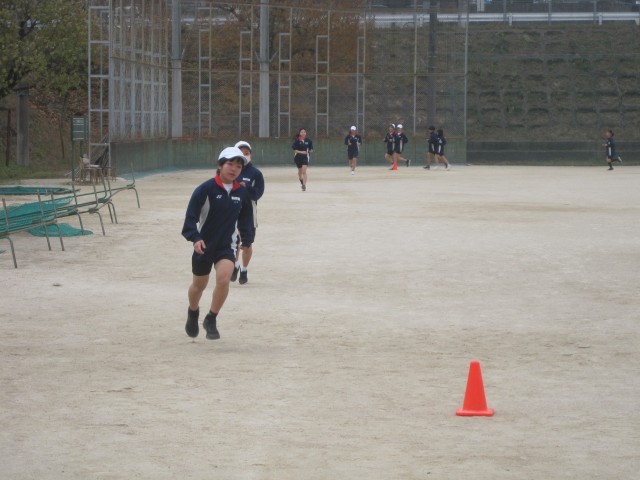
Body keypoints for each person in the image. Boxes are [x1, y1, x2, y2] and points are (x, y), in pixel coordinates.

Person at [181, 146, 255, 340]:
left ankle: (211, 318)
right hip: (204, 245)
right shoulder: (205, 189)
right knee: (199, 285)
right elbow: (190, 218)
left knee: (223, 279)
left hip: (226, 246)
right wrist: (195, 238)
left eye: (239, 166)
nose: (234, 169)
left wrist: (247, 239)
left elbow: (246, 218)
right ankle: (193, 311)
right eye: (230, 164)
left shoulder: (242, 192)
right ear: (220, 165)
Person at [230, 140, 265, 285]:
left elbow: (258, 194)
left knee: (247, 243)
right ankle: (235, 265)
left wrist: (246, 188)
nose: (245, 155)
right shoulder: (229, 170)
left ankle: (244, 269)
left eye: (247, 153)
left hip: (249, 211)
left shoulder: (256, 173)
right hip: (231, 209)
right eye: (241, 152)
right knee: (232, 241)